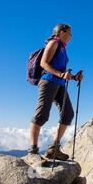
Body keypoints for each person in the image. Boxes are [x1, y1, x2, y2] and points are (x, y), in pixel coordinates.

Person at [28, 23, 84, 160]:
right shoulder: (54, 43)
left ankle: (54, 149)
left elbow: (61, 71)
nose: (71, 36)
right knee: (42, 114)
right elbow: (44, 63)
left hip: (59, 84)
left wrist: (75, 77)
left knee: (68, 114)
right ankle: (33, 151)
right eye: (69, 33)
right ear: (61, 32)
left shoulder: (63, 48)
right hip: (48, 82)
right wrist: (60, 75)